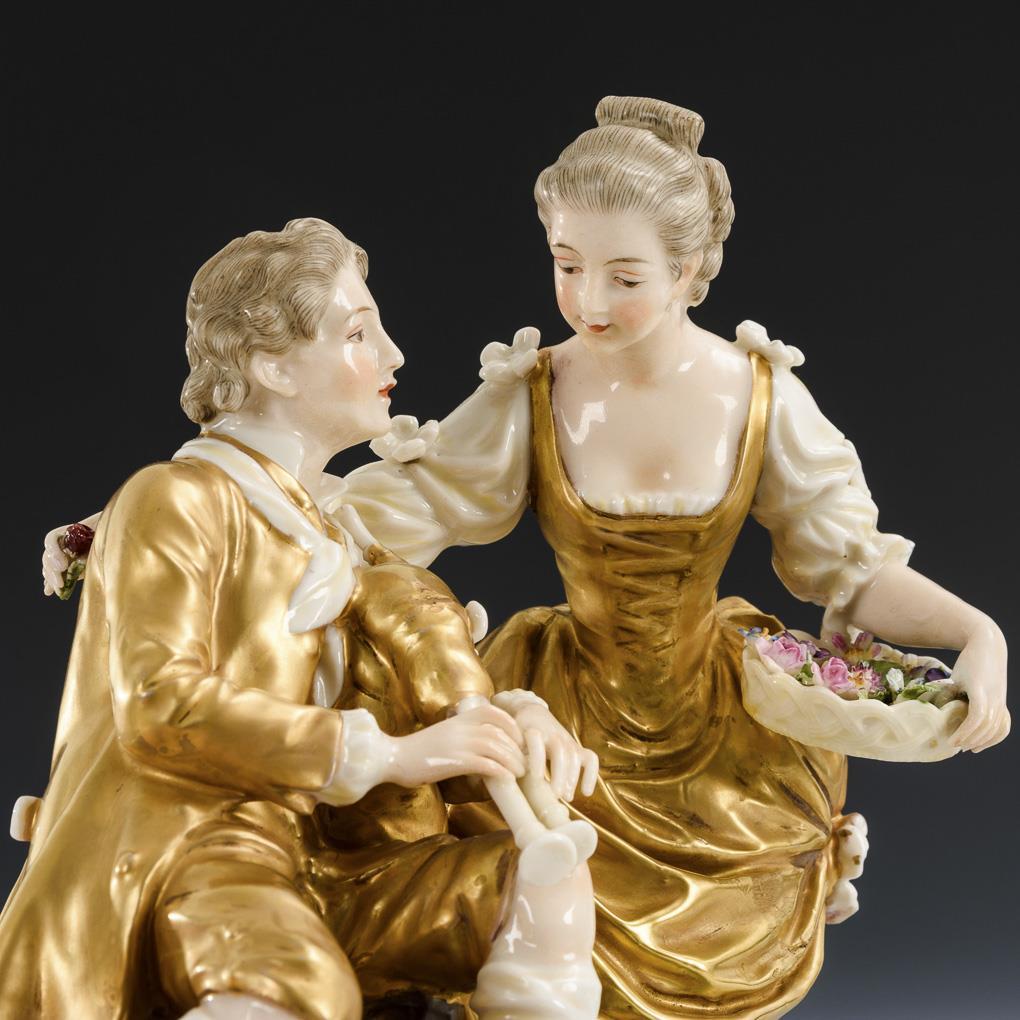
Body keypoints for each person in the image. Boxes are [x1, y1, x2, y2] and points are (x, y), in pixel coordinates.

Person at [326, 98, 1008, 1018]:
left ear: (689, 271)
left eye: (624, 277)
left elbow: (851, 568)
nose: (588, 303)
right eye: (568, 266)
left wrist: (978, 633)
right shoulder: (537, 390)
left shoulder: (757, 396)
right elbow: (405, 511)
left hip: (724, 739)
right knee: (520, 894)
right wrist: (242, 505)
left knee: (732, 934)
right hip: (566, 723)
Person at [9, 218, 600, 1019]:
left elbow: (419, 724)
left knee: (542, 883)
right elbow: (158, 708)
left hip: (330, 855)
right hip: (197, 844)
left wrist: (513, 724)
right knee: (298, 991)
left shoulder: (340, 537)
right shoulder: (177, 499)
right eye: (358, 334)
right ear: (271, 365)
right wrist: (388, 755)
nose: (393, 355)